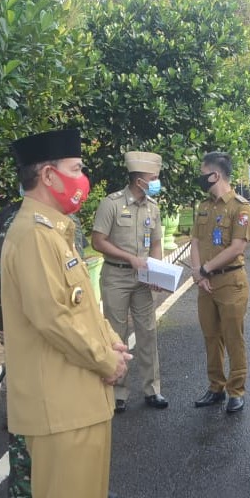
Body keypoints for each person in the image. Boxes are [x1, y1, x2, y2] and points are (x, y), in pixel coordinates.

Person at [1, 128, 130, 498]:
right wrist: (106, 362)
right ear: (48, 174)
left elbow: (84, 308)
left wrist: (112, 344)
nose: (84, 179)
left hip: (79, 401)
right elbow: (52, 317)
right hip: (60, 408)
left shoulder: (57, 231)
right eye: (76, 169)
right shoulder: (33, 235)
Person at [91, 151, 167, 412]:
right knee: (116, 333)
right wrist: (129, 258)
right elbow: (97, 241)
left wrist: (156, 272)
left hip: (143, 279)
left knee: (148, 332)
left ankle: (152, 389)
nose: (156, 181)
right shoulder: (111, 204)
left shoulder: (152, 207)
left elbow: (156, 242)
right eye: (153, 177)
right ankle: (118, 392)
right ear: (139, 180)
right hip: (116, 276)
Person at [188, 151, 250, 413]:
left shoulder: (240, 206)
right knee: (210, 336)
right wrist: (197, 271)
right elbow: (194, 240)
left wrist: (206, 268)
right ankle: (215, 386)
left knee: (233, 337)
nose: (201, 179)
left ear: (215, 175)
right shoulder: (204, 206)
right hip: (206, 283)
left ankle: (236, 390)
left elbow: (238, 246)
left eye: (204, 174)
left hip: (230, 282)